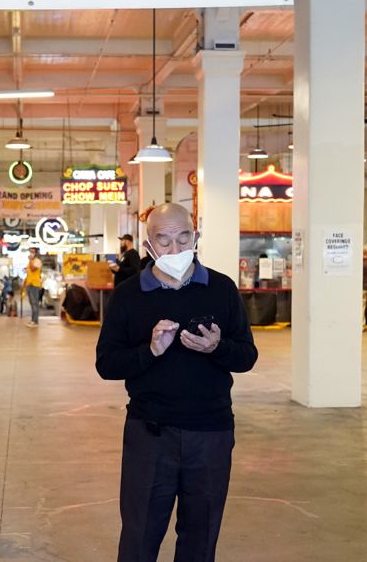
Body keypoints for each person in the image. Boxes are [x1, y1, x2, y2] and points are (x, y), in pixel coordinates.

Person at [95, 203, 258, 562]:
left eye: (183, 238)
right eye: (164, 241)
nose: (175, 249)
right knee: (140, 535)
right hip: (150, 433)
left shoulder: (221, 288)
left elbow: (246, 357)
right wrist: (149, 350)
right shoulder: (128, 295)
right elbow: (106, 364)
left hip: (211, 432)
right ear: (148, 245)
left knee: (201, 536)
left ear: (195, 235)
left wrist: (218, 347)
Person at [24, 247, 43, 328]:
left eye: (32, 252)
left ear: (36, 253)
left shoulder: (37, 261)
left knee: (35, 303)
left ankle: (35, 321)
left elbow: (32, 269)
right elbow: (28, 272)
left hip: (35, 285)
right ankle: (32, 320)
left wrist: (31, 260)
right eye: (30, 251)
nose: (31, 253)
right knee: (32, 303)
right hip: (29, 284)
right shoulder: (30, 262)